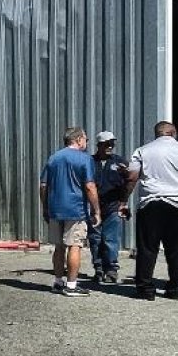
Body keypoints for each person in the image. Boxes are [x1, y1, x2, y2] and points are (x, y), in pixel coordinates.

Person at [121, 121, 178, 301]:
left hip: (152, 203)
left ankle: (145, 290)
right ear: (173, 133)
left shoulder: (142, 151)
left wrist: (123, 201)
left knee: (147, 248)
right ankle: (175, 290)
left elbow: (132, 177)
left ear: (156, 134)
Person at [40, 127, 101, 297]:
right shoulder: (84, 159)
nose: (86, 143)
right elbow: (89, 186)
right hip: (76, 209)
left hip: (55, 208)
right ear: (79, 139)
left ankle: (58, 282)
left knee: (58, 247)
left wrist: (45, 206)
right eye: (86, 140)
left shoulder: (53, 158)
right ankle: (72, 286)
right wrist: (96, 210)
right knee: (75, 245)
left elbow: (43, 185)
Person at [88, 131, 128, 285]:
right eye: (106, 143)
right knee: (95, 239)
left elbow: (130, 182)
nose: (110, 146)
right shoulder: (90, 162)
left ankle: (111, 270)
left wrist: (123, 203)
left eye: (112, 143)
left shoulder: (119, 162)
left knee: (110, 239)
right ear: (99, 145)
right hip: (93, 206)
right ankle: (98, 269)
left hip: (112, 207)